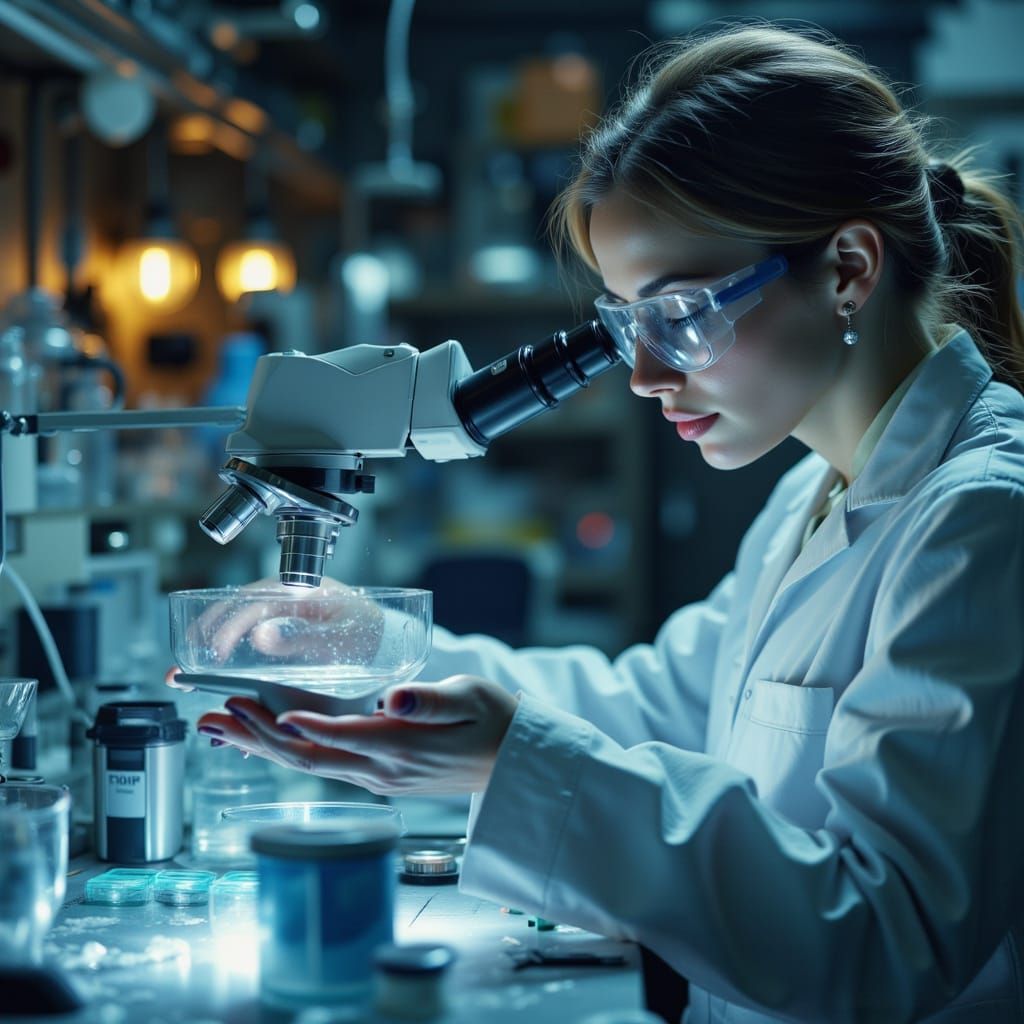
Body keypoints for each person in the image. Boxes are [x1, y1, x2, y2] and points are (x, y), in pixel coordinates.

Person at [188, 23, 1024, 1023]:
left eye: (680, 316)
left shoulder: (982, 520)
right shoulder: (818, 486)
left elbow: (884, 940)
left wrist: (515, 760)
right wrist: (379, 662)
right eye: (628, 325)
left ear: (847, 268)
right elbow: (662, 706)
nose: (643, 376)